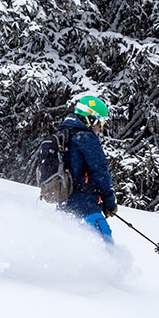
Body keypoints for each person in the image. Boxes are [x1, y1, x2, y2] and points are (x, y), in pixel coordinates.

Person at [57, 93, 118, 242]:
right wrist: (110, 201)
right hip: (86, 205)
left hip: (65, 205)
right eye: (100, 123)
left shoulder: (64, 135)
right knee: (105, 245)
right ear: (90, 119)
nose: (100, 128)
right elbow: (100, 170)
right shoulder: (86, 138)